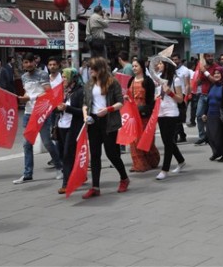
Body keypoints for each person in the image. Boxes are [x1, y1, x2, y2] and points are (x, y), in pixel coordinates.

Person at [82, 57, 129, 198]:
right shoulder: (89, 84)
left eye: (93, 68)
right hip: (93, 122)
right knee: (95, 155)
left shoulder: (112, 82)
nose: (90, 71)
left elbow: (120, 102)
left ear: (100, 69)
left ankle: (124, 178)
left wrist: (108, 109)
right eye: (90, 68)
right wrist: (85, 115)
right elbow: (85, 103)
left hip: (109, 121)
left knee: (112, 154)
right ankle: (95, 187)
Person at [13, 53, 63, 184]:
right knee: (26, 144)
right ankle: (27, 173)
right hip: (28, 113)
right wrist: (23, 98)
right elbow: (27, 92)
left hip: (41, 112)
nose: (28, 64)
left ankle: (59, 167)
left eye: (30, 62)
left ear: (35, 62)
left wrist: (30, 98)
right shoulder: (23, 77)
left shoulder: (42, 74)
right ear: (23, 64)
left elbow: (48, 92)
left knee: (47, 142)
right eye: (25, 62)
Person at [126, 59, 160, 173]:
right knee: (134, 140)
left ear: (141, 67)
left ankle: (152, 160)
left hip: (145, 114)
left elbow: (151, 100)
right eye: (133, 66)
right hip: (132, 114)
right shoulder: (131, 80)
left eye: (136, 66)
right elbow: (128, 94)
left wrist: (149, 111)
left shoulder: (148, 81)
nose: (134, 68)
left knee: (146, 139)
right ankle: (139, 164)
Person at [155, 61, 186, 180]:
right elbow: (156, 94)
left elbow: (180, 99)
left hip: (171, 113)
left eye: (161, 64)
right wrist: (156, 97)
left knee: (168, 142)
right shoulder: (158, 79)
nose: (159, 66)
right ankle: (181, 161)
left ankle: (165, 169)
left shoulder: (175, 80)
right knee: (167, 141)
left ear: (167, 65)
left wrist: (170, 93)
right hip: (160, 112)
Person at [56, 68, 84, 194]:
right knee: (64, 154)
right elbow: (56, 108)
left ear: (72, 78)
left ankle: (66, 183)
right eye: (62, 77)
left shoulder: (80, 92)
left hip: (73, 127)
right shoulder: (64, 92)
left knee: (68, 154)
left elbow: (82, 111)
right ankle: (79, 175)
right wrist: (58, 108)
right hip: (62, 126)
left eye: (65, 77)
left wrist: (67, 108)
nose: (63, 79)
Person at [195, 54, 219, 145]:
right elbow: (198, 82)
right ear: (205, 58)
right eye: (208, 56)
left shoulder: (216, 67)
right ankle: (202, 136)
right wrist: (199, 73)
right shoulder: (203, 67)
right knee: (199, 115)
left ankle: (211, 136)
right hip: (203, 95)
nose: (210, 58)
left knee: (211, 117)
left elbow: (214, 80)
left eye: (211, 56)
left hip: (212, 95)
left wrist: (205, 72)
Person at [172, 54, 190, 143]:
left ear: (179, 60)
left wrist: (186, 97)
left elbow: (187, 85)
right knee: (175, 117)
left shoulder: (185, 70)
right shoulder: (171, 69)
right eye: (173, 59)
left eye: (176, 59)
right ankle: (181, 135)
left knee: (178, 117)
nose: (175, 61)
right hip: (172, 95)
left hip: (181, 95)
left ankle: (177, 136)